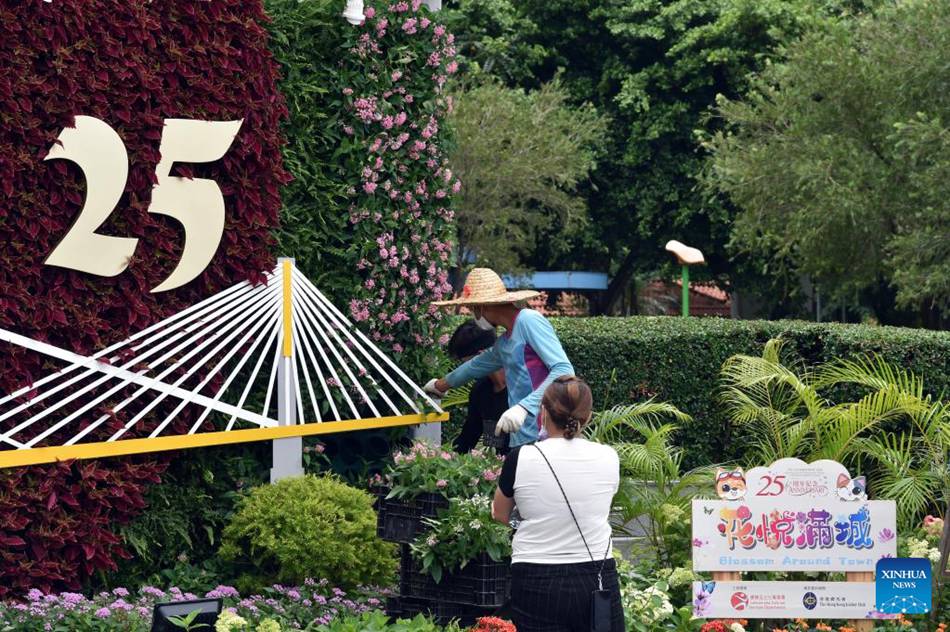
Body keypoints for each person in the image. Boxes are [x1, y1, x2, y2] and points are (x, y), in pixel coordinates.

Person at [491, 375, 624, 631]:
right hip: (597, 574)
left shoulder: (521, 457)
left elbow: (499, 514)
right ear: (588, 416)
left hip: (535, 576)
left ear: (543, 413)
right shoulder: (609, 457)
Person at [424, 268, 574, 448]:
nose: (473, 315)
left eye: (472, 308)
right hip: (521, 436)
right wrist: (440, 385)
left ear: (482, 306)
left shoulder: (528, 320)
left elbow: (564, 370)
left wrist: (524, 408)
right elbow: (476, 365)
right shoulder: (505, 342)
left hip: (544, 434)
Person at [445, 320, 509, 454]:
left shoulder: (521, 387)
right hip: (498, 469)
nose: (462, 372)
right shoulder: (480, 390)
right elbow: (468, 438)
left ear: (482, 356)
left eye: (465, 364)